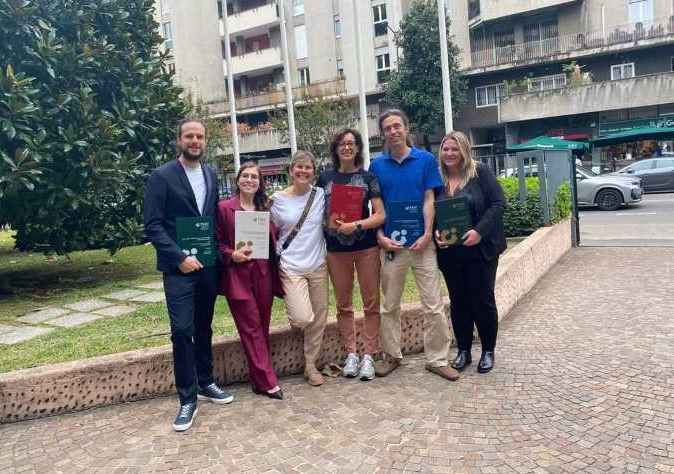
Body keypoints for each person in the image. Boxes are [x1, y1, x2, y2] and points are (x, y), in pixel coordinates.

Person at [144, 118, 233, 433]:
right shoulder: (161, 176)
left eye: (200, 136)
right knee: (182, 331)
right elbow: (152, 225)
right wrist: (179, 258)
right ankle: (187, 399)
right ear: (179, 140)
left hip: (207, 265)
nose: (195, 141)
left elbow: (211, 217)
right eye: (189, 136)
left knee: (203, 326)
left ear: (204, 141)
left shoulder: (210, 173)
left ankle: (206, 382)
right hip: (178, 269)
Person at [369, 109, 459, 382]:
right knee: (390, 305)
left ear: (406, 129)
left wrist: (428, 233)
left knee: (432, 304)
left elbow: (429, 198)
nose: (393, 132)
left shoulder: (426, 160)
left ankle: (437, 359)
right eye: (387, 128)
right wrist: (380, 237)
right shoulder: (377, 166)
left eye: (397, 126)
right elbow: (376, 205)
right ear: (383, 133)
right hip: (392, 246)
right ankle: (392, 356)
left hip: (423, 244)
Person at [317, 129, 386, 381]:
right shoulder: (324, 178)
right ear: (335, 149)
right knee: (343, 305)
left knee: (371, 303)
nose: (346, 147)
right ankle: (351, 354)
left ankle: (369, 354)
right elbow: (314, 210)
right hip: (336, 250)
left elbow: (380, 215)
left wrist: (356, 225)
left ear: (358, 148)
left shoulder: (369, 178)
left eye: (351, 143)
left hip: (366, 247)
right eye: (342, 144)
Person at [434, 131, 506, 374]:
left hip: (481, 250)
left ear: (464, 150)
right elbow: (433, 213)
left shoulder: (480, 172)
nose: (450, 153)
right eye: (446, 149)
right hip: (451, 254)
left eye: (455, 149)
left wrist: (479, 232)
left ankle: (487, 350)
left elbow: (498, 204)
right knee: (458, 302)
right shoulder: (438, 180)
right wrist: (436, 234)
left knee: (483, 300)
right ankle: (463, 350)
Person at [215, 162, 284, 400]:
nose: (249, 180)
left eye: (254, 177)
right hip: (238, 275)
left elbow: (275, 239)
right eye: (245, 175)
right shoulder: (224, 208)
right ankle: (268, 381)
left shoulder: (265, 208)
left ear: (260, 183)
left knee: (262, 326)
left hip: (263, 272)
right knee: (251, 327)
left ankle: (257, 379)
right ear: (237, 180)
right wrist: (231, 254)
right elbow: (217, 242)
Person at [270, 151, 328, 387]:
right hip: (291, 266)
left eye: (308, 168)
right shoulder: (277, 200)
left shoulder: (321, 195)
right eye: (299, 167)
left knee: (319, 318)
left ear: (314, 172)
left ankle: (310, 365)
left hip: (318, 265)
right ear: (291, 170)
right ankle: (305, 347)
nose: (303, 171)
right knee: (303, 318)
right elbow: (264, 227)